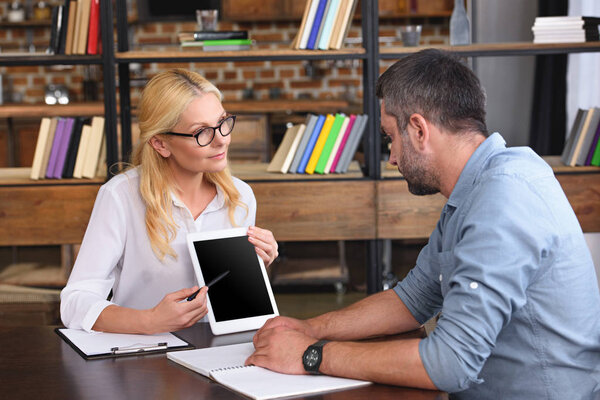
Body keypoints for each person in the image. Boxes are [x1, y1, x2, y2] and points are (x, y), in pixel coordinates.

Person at [246, 49, 600, 399]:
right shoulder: (477, 188)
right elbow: (412, 298)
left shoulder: (505, 198)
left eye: (390, 137)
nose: (392, 157)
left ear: (418, 129)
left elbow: (450, 363)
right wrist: (309, 328)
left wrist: (310, 355)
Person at [60, 69, 278, 334]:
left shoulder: (240, 196)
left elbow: (232, 302)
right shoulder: (120, 196)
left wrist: (257, 268)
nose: (222, 140)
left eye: (222, 122)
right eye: (202, 132)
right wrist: (150, 321)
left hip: (217, 350)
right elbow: (74, 301)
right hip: (143, 354)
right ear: (161, 144)